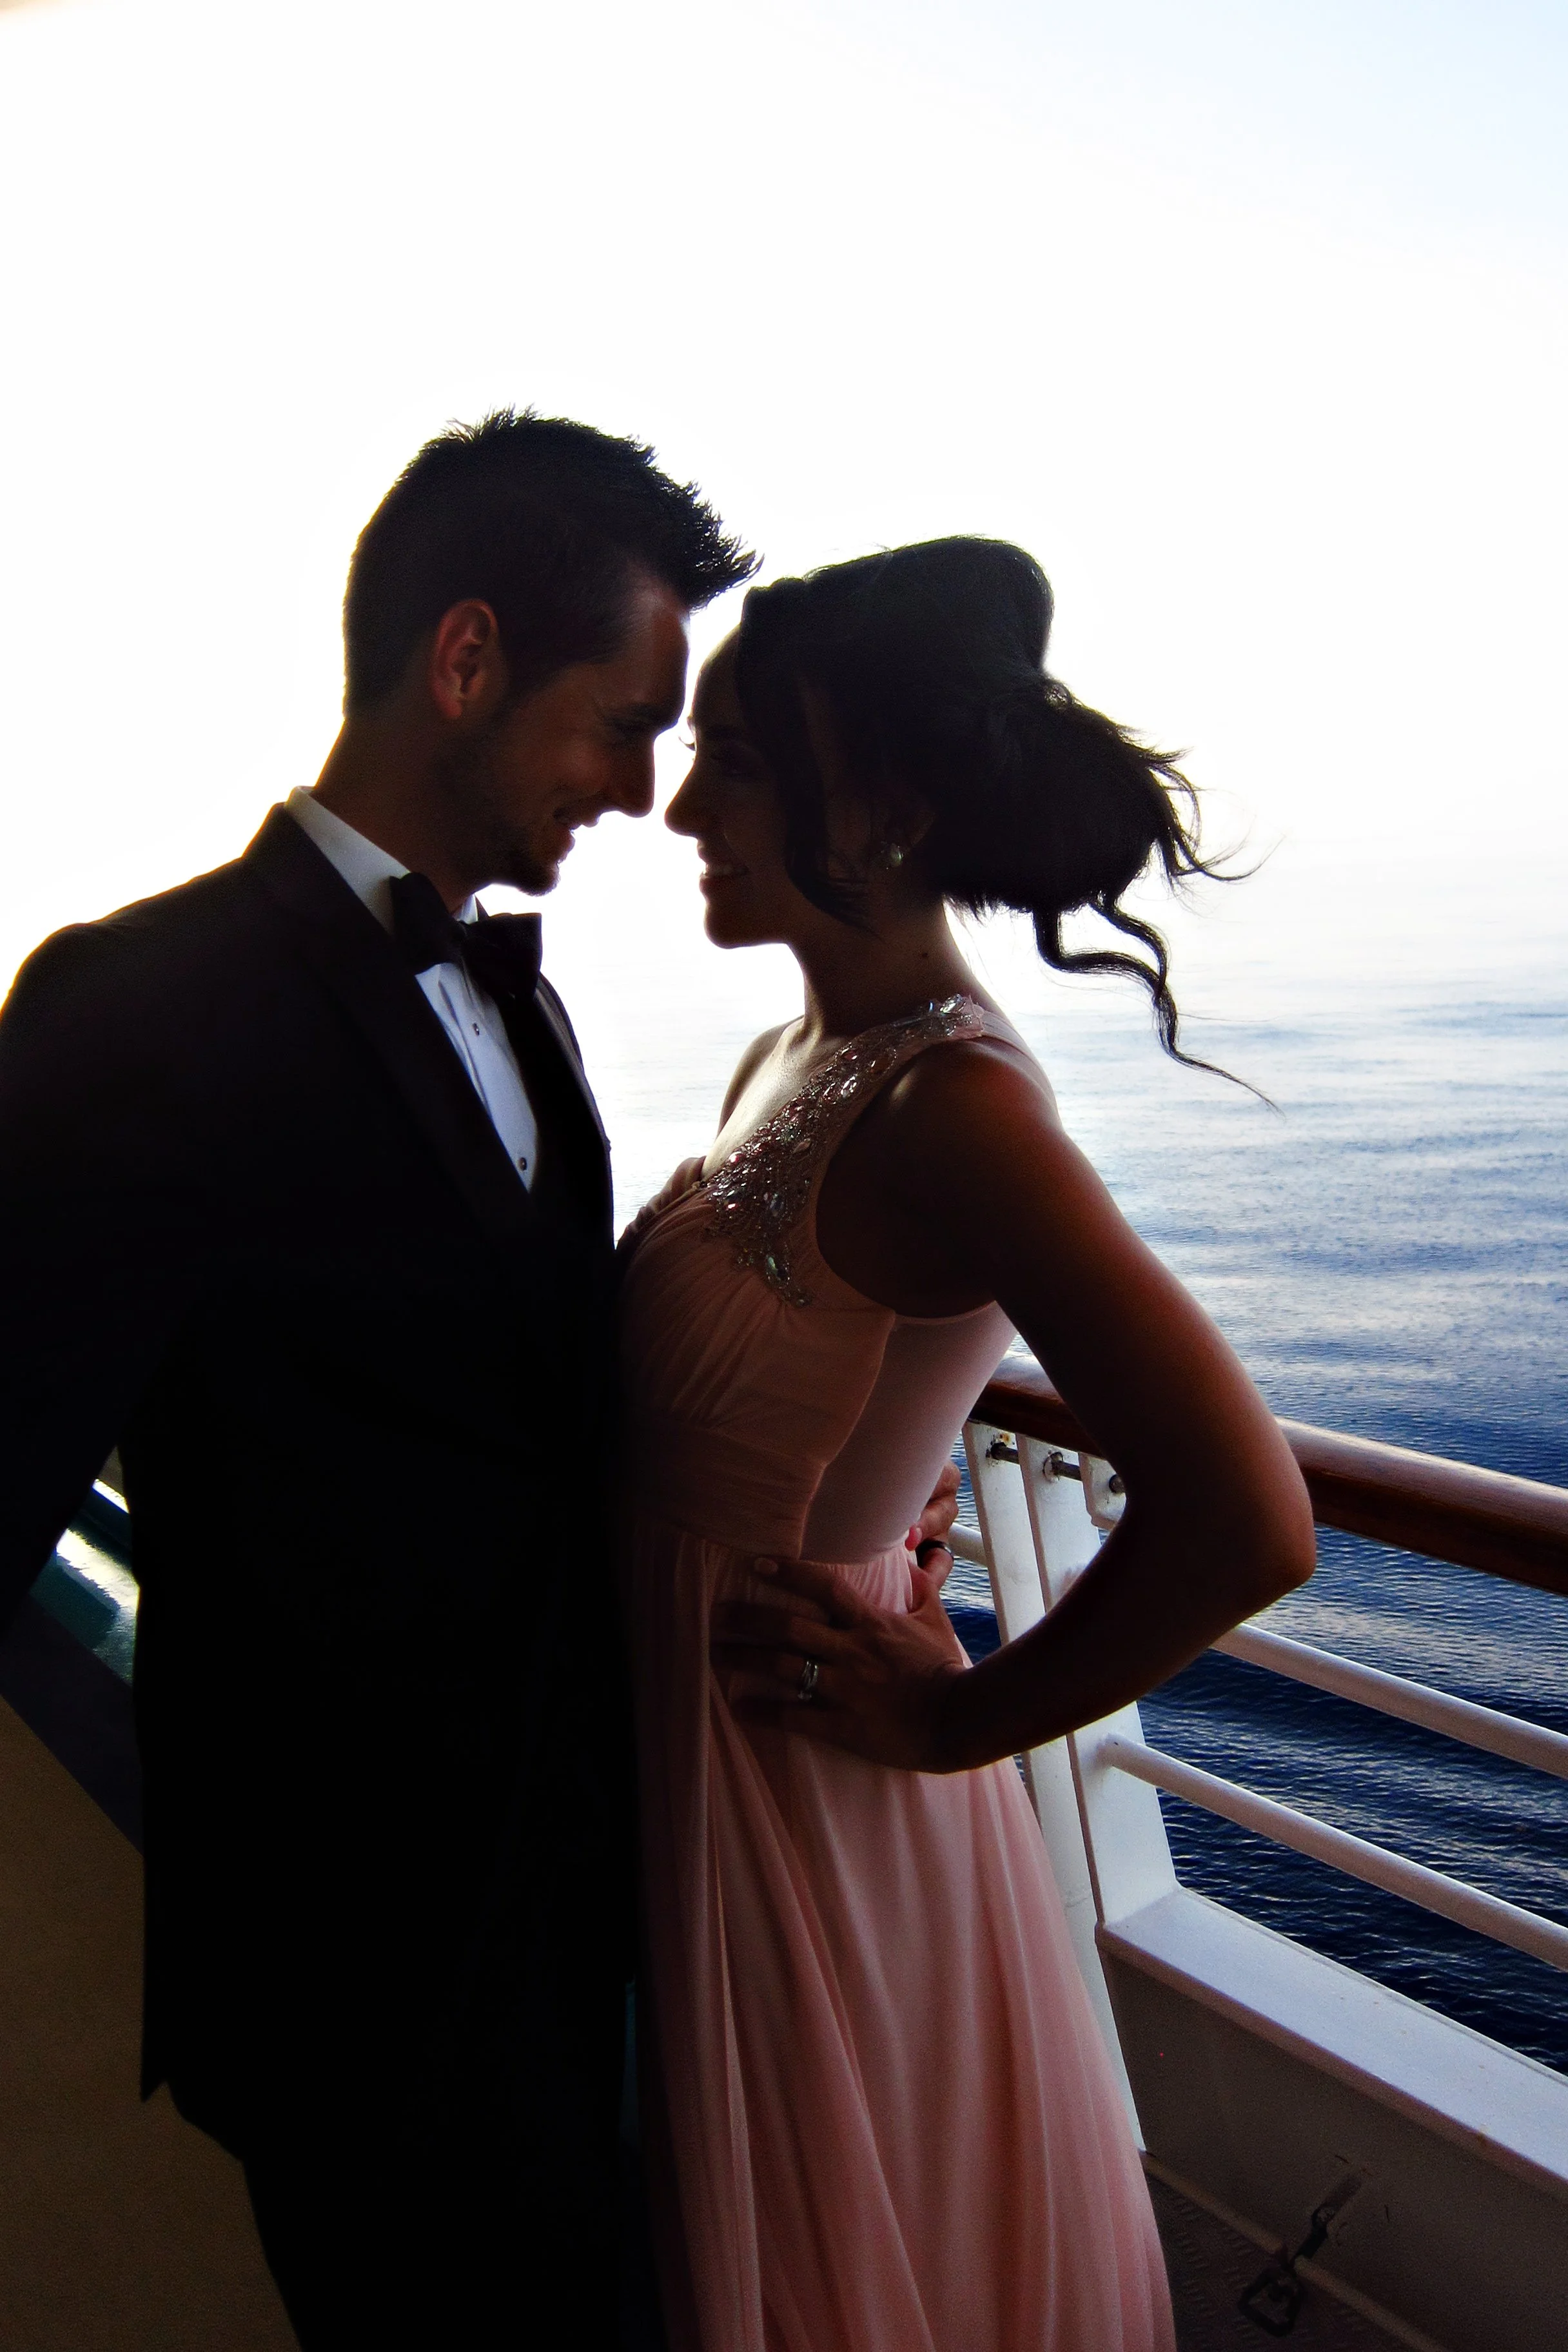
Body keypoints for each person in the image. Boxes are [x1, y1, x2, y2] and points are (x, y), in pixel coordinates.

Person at [0, 409, 765, 2347]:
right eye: (628, 719)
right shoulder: (131, 1008)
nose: (644, 787)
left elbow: (536, 1393)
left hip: (585, 1923)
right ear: (467, 659)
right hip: (348, 1979)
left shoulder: (532, 999)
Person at [617, 537, 1317, 2352]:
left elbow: (1249, 1517)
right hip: (687, 1752)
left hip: (800, 1793)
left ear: (897, 804)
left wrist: (951, 1718)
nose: (683, 802)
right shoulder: (796, 1048)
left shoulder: (960, 1109)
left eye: (740, 763)